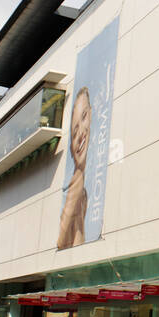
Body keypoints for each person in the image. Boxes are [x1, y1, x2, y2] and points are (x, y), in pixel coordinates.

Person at [57, 87, 91, 249]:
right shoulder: (75, 187)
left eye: (84, 117)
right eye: (74, 130)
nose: (81, 134)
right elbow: (60, 243)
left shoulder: (82, 188)